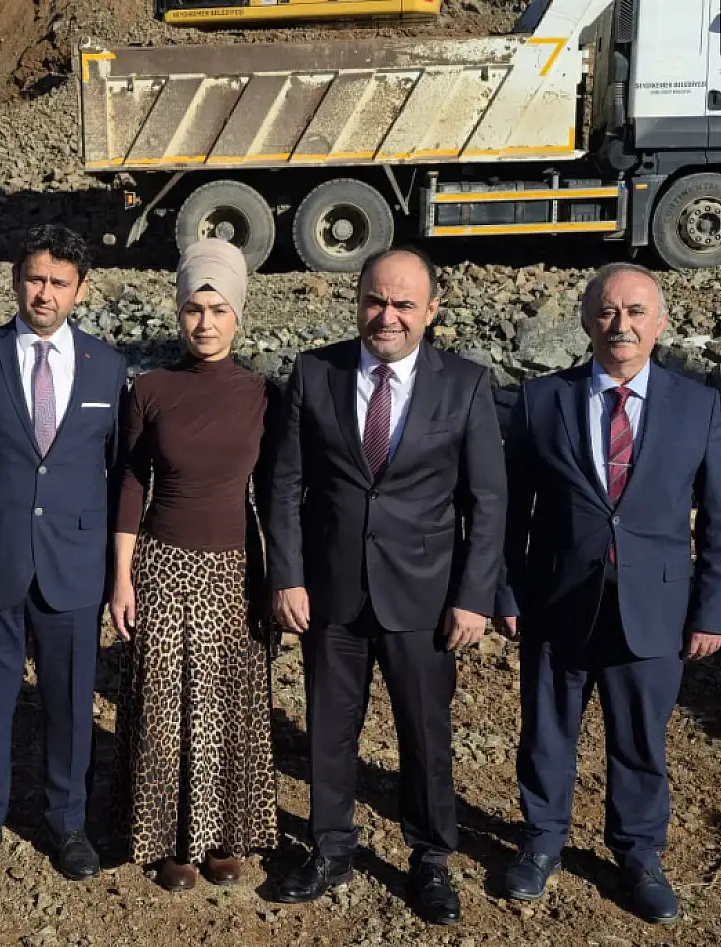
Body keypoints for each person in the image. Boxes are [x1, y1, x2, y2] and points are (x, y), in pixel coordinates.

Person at [265, 246, 507, 924]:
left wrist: (474, 595)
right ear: (358, 300)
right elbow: (284, 485)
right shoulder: (315, 372)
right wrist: (288, 576)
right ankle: (330, 846)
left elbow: (487, 501)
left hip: (424, 596)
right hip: (331, 590)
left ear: (431, 310)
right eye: (376, 300)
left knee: (424, 734)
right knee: (328, 729)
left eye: (404, 304)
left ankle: (430, 855)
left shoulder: (465, 384)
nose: (387, 316)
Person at [493, 262, 721, 924]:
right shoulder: (541, 400)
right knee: (547, 731)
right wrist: (507, 591)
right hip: (557, 601)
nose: (620, 324)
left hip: (655, 607)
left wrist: (711, 611)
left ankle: (639, 854)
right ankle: (541, 841)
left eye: (635, 312)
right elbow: (511, 510)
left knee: (640, 740)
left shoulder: (697, 406)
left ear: (660, 324)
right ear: (586, 321)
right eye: (606, 311)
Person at [0, 224, 129, 882]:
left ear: (80, 290)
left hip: (75, 566)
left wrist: (121, 572)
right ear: (15, 280)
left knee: (70, 703)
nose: (45, 293)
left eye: (59, 282)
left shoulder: (107, 366)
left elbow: (119, 474)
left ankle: (68, 823)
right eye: (35, 278)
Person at [109, 238, 279, 892]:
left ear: (239, 313)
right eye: (192, 309)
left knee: (225, 702)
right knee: (164, 704)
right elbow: (131, 483)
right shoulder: (150, 389)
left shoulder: (263, 394)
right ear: (178, 313)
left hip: (235, 569)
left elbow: (278, 493)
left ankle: (221, 833)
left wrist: (281, 578)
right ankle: (168, 838)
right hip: (162, 564)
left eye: (218, 309)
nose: (204, 323)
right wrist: (121, 578)